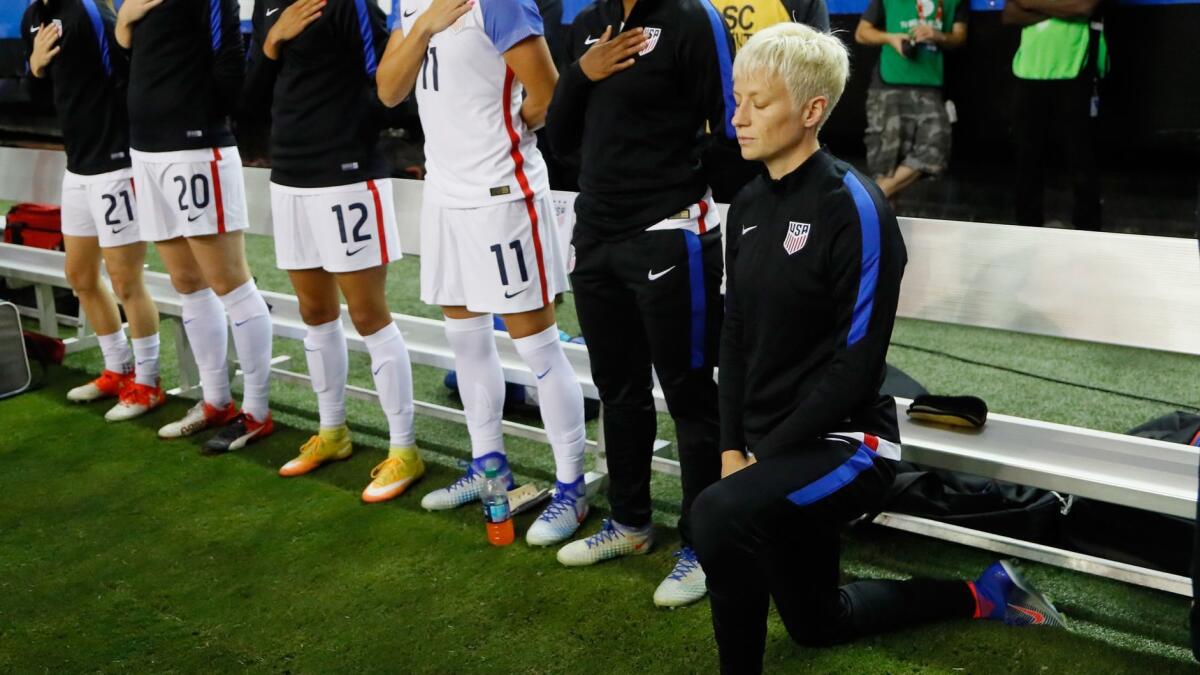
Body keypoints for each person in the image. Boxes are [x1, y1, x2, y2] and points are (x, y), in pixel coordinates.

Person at [691, 23, 1065, 674]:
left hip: (848, 444)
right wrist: (731, 446)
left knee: (717, 515)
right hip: (768, 445)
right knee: (816, 622)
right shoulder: (747, 204)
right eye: (736, 98)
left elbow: (857, 370)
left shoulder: (854, 206)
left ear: (811, 112)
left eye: (759, 102)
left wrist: (758, 458)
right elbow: (736, 336)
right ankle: (981, 592)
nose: (738, 117)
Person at [376, 0, 589, 545]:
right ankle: (489, 467)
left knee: (538, 348)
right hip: (445, 197)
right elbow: (389, 90)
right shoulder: (410, 4)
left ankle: (571, 489)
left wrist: (498, 139)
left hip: (503, 195)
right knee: (466, 340)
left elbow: (550, 95)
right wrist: (423, 24)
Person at [544, 0, 734, 607]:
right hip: (596, 232)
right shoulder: (588, 23)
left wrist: (671, 182)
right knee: (617, 387)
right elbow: (559, 134)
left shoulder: (691, 17)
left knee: (690, 394)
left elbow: (729, 125)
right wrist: (582, 72)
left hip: (669, 229)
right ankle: (629, 525)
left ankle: (705, 547)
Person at [242, 0, 427, 502]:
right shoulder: (267, 5)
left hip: (348, 176)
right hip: (290, 176)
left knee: (369, 315)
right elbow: (250, 99)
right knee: (315, 312)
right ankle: (333, 433)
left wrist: (340, 132)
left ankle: (405, 450)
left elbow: (386, 91)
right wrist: (272, 41)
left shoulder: (351, 5)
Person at [115, 0, 275, 452]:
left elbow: (229, 65)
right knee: (187, 282)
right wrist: (125, 24)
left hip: (194, 150)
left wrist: (189, 115)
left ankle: (257, 412)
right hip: (146, 150)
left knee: (231, 283)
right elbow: (134, 63)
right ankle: (215, 401)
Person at [21, 0, 162, 421]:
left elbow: (124, 77)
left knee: (125, 279)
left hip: (115, 166)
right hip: (78, 167)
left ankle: (148, 382)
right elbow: (38, 98)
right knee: (80, 275)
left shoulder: (89, 11)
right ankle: (117, 369)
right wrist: (34, 66)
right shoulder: (34, 16)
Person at [1003, 0, 1106, 230]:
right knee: (1026, 157)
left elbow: (1084, 7)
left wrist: (1031, 3)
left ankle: (1088, 231)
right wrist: (1060, 7)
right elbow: (1010, 13)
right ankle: (1027, 228)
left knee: (1080, 156)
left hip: (1075, 69)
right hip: (1028, 71)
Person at [855, 0, 967, 198]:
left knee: (936, 149)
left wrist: (938, 35)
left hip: (930, 85)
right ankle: (880, 215)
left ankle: (869, 199)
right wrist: (891, 38)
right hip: (888, 84)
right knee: (885, 164)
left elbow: (960, 36)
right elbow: (862, 32)